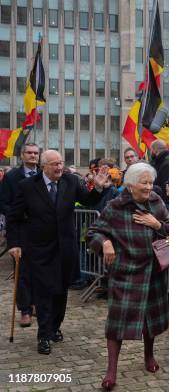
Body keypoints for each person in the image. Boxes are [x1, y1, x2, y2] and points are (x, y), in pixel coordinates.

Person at [7, 150, 107, 355]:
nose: (59, 167)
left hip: (65, 248)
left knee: (60, 292)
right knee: (44, 293)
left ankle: (54, 327)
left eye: (61, 163)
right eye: (54, 164)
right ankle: (43, 335)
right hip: (39, 249)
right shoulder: (27, 186)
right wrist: (14, 243)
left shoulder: (70, 181)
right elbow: (14, 217)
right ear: (44, 166)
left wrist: (97, 186)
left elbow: (88, 200)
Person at [86, 162, 169, 390]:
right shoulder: (116, 206)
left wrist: (157, 223)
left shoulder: (156, 201)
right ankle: (111, 370)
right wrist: (105, 242)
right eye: (143, 183)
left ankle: (149, 356)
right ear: (130, 185)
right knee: (116, 323)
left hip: (154, 271)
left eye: (150, 182)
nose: (148, 187)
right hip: (125, 272)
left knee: (150, 321)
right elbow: (93, 232)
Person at [0, 143, 39, 327]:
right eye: (29, 153)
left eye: (36, 153)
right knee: (22, 270)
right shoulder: (12, 176)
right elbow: (3, 203)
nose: (33, 156)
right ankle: (25, 309)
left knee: (40, 269)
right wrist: (18, 213)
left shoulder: (42, 174)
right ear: (22, 155)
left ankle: (36, 303)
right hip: (20, 229)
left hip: (41, 230)